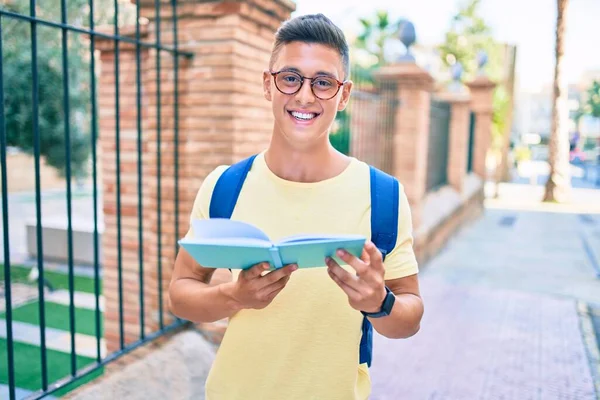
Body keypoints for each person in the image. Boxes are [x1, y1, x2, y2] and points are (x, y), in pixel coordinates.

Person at [168, 13, 424, 400]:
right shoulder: (225, 186)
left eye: (323, 82)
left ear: (344, 94)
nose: (305, 96)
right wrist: (235, 296)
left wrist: (379, 302)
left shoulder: (381, 195)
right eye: (291, 78)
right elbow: (180, 295)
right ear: (268, 85)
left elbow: (410, 317)